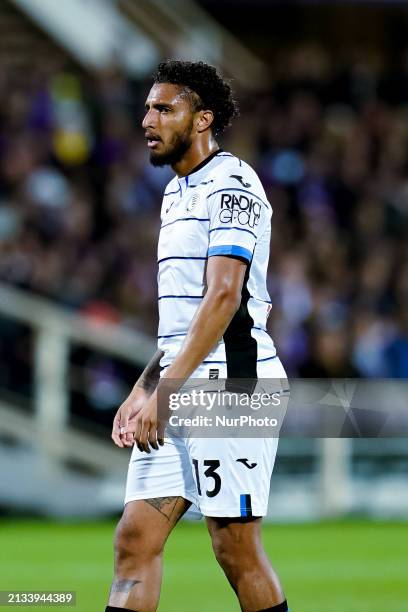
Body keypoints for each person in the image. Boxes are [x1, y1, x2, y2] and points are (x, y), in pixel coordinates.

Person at [106, 60, 289, 612]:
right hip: (181, 383)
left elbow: (223, 299)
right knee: (134, 539)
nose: (148, 119)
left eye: (164, 108)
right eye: (146, 108)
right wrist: (145, 387)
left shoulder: (233, 186)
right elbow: (184, 320)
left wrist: (165, 394)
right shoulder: (176, 193)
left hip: (233, 389)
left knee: (234, 548)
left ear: (202, 118)